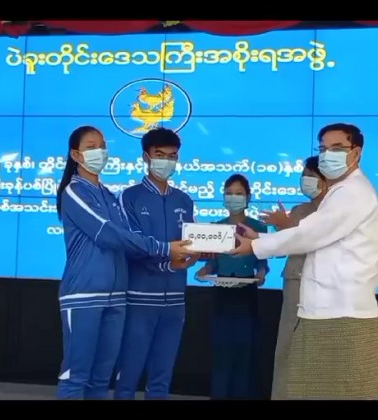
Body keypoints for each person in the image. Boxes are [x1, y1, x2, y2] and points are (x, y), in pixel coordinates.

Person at [231, 123, 378, 400]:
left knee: (344, 391)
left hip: (341, 314)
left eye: (337, 148)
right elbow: (307, 233)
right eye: (323, 149)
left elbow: (310, 234)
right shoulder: (342, 191)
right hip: (327, 311)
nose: (327, 156)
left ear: (356, 153)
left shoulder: (352, 191)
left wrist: (256, 245)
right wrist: (260, 239)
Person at [54, 125, 194, 400]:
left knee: (100, 378)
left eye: (102, 146)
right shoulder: (74, 192)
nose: (99, 152)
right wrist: (165, 249)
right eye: (91, 147)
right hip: (84, 295)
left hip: (116, 296)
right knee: (76, 375)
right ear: (76, 155)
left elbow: (130, 239)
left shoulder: (109, 195)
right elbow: (108, 234)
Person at [114, 128, 198, 400]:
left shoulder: (184, 200)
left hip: (175, 300)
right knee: (128, 376)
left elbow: (191, 241)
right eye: (159, 155)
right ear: (146, 157)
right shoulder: (129, 197)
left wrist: (203, 251)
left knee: (162, 378)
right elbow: (132, 245)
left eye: (172, 156)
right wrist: (167, 264)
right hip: (139, 299)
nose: (166, 161)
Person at [260, 156, 328, 400]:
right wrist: (276, 229)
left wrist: (287, 227)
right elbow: (283, 247)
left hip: (323, 288)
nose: (306, 180)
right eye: (304, 175)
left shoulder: (333, 212)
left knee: (318, 350)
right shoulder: (299, 210)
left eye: (312, 175)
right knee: (288, 345)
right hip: (295, 283)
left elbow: (313, 242)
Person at [195, 174, 269, 400]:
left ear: (248, 197)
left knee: (245, 349)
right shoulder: (217, 227)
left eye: (238, 193)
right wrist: (204, 270)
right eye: (229, 193)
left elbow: (262, 262)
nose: (233, 197)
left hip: (246, 294)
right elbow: (214, 261)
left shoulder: (258, 227)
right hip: (222, 292)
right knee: (222, 348)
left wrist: (261, 274)